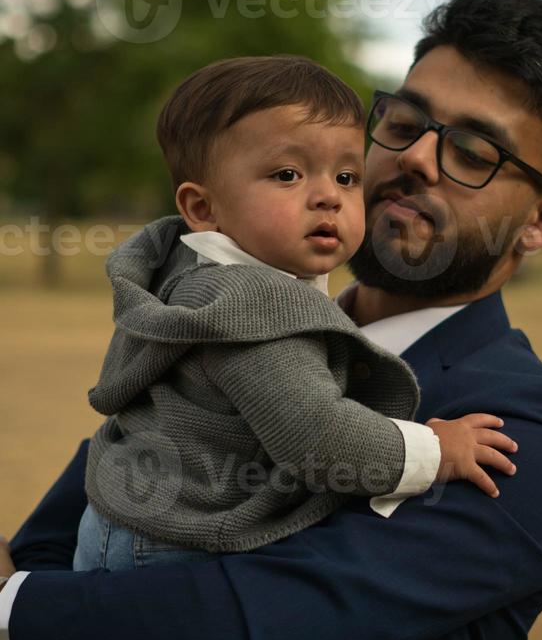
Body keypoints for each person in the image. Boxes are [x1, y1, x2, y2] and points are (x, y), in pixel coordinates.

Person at [0, 0, 542, 640]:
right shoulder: (215, 316)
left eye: (472, 151)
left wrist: (11, 615)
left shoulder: (534, 431)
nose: (416, 159)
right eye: (403, 123)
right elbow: (56, 547)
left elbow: (259, 621)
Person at [73, 55, 517, 574]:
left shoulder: (188, 267)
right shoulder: (253, 309)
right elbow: (318, 437)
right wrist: (435, 452)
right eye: (287, 174)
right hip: (172, 551)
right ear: (202, 208)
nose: (328, 196)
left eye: (348, 176)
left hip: (133, 524)